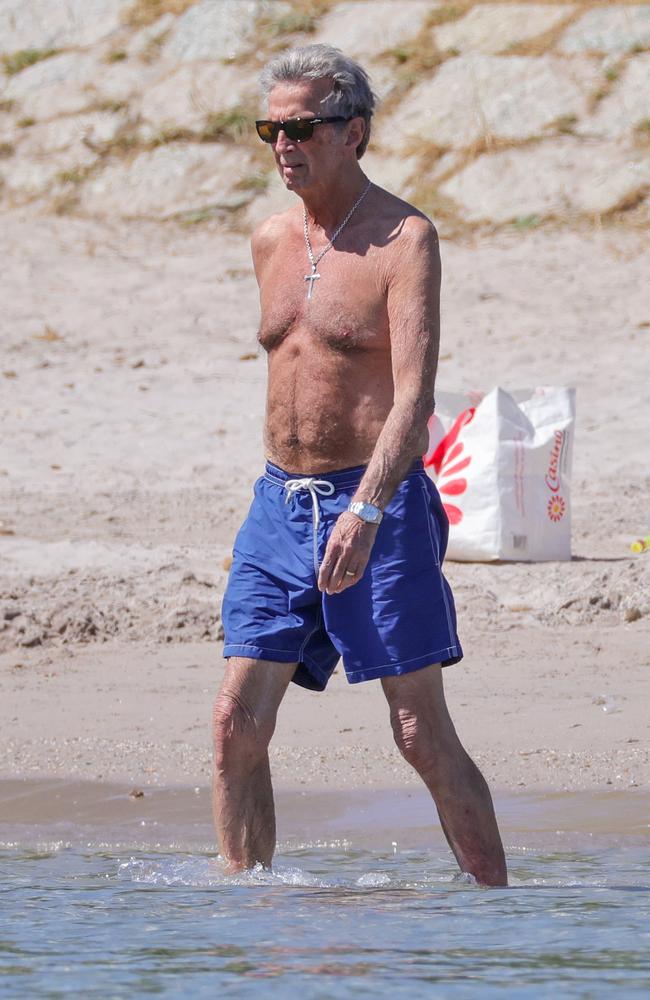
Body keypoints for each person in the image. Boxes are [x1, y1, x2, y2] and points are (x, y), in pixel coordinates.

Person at [213, 44, 507, 886]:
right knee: (236, 721)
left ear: (355, 133)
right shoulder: (271, 238)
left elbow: (414, 396)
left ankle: (497, 910)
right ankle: (246, 913)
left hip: (375, 506)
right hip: (277, 506)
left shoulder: (403, 238)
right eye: (271, 127)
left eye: (301, 126)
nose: (282, 143)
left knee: (417, 731)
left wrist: (368, 508)